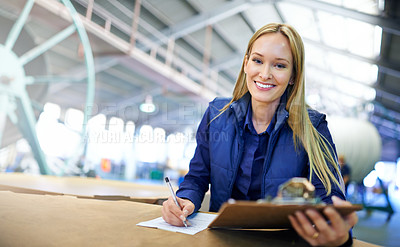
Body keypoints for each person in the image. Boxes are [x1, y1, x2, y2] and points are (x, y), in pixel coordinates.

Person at [162, 23, 358, 246]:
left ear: (293, 75)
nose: (265, 74)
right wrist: (185, 199)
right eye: (257, 60)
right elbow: (197, 178)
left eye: (279, 65)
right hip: (222, 239)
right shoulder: (216, 115)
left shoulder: (313, 128)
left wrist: (334, 228)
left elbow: (328, 197)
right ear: (246, 63)